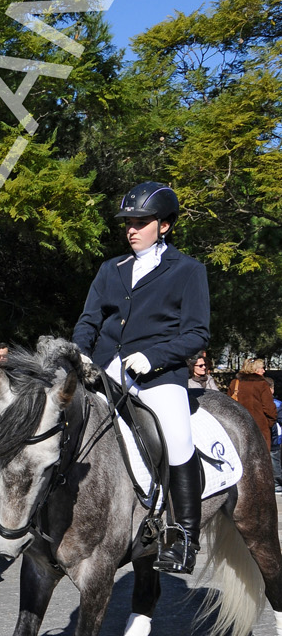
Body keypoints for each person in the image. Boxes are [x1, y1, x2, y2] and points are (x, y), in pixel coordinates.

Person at [72, 181, 210, 574]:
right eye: (128, 222)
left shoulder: (187, 270)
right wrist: (79, 352)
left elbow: (197, 333)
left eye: (140, 222)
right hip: (105, 371)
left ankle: (183, 538)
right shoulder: (110, 269)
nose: (130, 229)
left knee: (177, 435)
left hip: (159, 375)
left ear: (164, 226)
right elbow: (89, 320)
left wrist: (153, 357)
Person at [227, 358, 276, 450]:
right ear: (255, 370)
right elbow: (270, 409)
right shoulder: (262, 384)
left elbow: (228, 405)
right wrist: (267, 424)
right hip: (259, 428)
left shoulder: (235, 383)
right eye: (261, 368)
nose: (264, 371)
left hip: (238, 427)